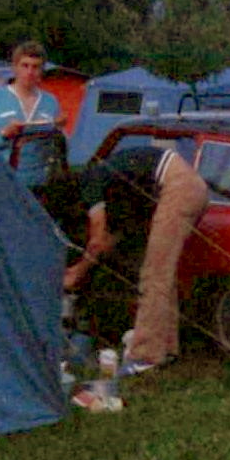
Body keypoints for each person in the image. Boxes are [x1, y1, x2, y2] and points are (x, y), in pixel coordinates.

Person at [63, 142, 208, 376]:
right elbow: (109, 239)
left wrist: (77, 272)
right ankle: (166, 348)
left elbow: (98, 239)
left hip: (178, 187)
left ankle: (145, 356)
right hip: (189, 185)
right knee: (163, 273)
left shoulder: (90, 183)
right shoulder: (115, 185)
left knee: (154, 275)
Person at [0, 41, 66, 188]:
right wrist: (4, 134)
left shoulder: (50, 101)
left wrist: (59, 128)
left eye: (35, 67)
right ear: (15, 67)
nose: (30, 72)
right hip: (2, 181)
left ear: (42, 70)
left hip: (40, 183)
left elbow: (60, 147)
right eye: (25, 66)